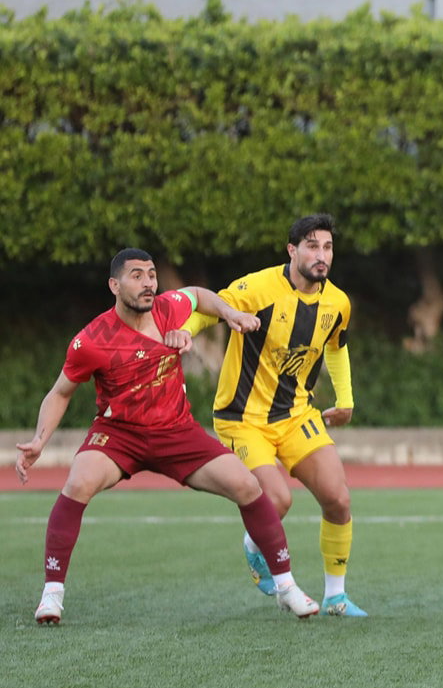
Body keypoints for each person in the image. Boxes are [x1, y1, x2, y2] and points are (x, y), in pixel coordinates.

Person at [15, 248, 319, 625]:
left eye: (152, 274)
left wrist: (230, 313)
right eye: (137, 276)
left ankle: (286, 587)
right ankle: (52, 595)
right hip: (119, 435)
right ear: (114, 285)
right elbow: (60, 393)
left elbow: (199, 295)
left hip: (177, 433)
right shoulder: (90, 340)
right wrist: (39, 441)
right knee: (77, 483)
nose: (148, 283)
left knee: (248, 485)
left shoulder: (167, 309)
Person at [182, 213, 366, 617]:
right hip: (242, 418)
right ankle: (255, 546)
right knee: (276, 501)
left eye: (328, 247)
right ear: (292, 250)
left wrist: (346, 399)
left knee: (338, 499)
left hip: (296, 414)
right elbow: (209, 309)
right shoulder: (258, 287)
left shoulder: (338, 302)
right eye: (312, 246)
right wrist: (184, 332)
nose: (321, 256)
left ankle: (336, 597)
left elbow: (336, 347)